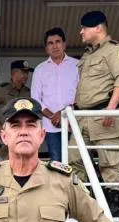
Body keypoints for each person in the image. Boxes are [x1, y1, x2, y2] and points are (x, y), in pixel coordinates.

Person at [70, 10, 119, 216]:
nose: (81, 32)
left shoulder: (115, 50)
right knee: (73, 159)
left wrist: (111, 108)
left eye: (84, 28)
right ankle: (83, 206)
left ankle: (112, 214)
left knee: (109, 163)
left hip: (104, 114)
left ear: (97, 28)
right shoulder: (89, 54)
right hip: (82, 118)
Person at [31, 28, 79, 163]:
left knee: (78, 162)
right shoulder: (40, 69)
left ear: (64, 44)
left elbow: (82, 94)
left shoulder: (77, 66)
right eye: (50, 43)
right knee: (57, 162)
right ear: (46, 48)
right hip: (51, 125)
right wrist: (54, 117)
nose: (55, 46)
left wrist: (64, 113)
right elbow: (35, 98)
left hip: (74, 122)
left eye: (58, 41)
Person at [0, 60, 32, 131]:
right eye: (23, 72)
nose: (26, 76)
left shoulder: (28, 92)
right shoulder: (2, 90)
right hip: (6, 134)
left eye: (27, 73)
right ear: (14, 73)